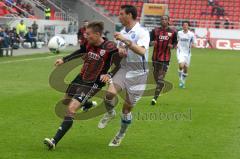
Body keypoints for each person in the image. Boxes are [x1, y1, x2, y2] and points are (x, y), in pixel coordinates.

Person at [43, 21, 120, 150]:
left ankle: (54, 141)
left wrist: (110, 75)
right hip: (81, 78)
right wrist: (64, 59)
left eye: (88, 34)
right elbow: (80, 51)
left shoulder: (110, 47)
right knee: (65, 101)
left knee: (71, 109)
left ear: (97, 34)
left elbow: (119, 63)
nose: (86, 35)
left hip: (93, 83)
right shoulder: (88, 43)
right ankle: (88, 104)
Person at [97, 5, 150, 147]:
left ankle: (120, 134)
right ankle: (110, 113)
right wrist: (120, 50)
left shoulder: (142, 32)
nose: (119, 16)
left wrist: (125, 41)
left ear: (130, 15)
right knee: (109, 94)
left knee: (126, 109)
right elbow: (120, 51)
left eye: (121, 14)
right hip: (124, 69)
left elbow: (141, 51)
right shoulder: (121, 32)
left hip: (139, 73)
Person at [150, 15, 177, 105]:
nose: (164, 21)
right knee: (156, 78)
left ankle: (155, 98)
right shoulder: (155, 31)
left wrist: (172, 46)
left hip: (165, 58)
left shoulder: (173, 32)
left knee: (161, 78)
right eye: (162, 19)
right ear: (160, 21)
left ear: (168, 21)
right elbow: (149, 42)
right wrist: (151, 43)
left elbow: (175, 43)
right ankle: (160, 87)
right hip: (155, 57)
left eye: (165, 19)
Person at [176, 21, 196, 88]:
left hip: (188, 53)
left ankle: (183, 81)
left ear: (188, 26)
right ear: (182, 26)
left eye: (186, 25)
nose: (185, 26)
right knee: (181, 65)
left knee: (186, 68)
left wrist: (193, 45)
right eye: (184, 25)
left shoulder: (191, 34)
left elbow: (194, 43)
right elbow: (177, 40)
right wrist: (177, 45)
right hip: (180, 51)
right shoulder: (179, 33)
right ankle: (180, 79)